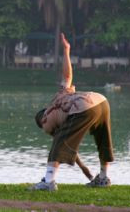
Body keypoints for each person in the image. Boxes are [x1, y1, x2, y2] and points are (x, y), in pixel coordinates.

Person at [31, 33, 114, 191]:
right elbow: (67, 75)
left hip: (82, 108)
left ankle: (48, 181)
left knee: (58, 145)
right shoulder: (61, 94)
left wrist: (85, 170)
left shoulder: (46, 120)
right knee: (103, 139)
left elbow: (64, 145)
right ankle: (103, 178)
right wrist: (67, 50)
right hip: (101, 101)